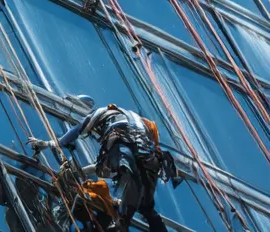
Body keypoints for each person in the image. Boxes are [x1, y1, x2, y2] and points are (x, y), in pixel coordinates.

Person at [28, 96, 181, 232]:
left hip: (126, 150)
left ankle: (122, 222)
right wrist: (81, 172)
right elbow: (105, 168)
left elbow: (75, 133)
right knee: (146, 207)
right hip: (149, 160)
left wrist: (47, 144)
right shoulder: (137, 121)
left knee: (130, 190)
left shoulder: (103, 113)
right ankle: (126, 222)